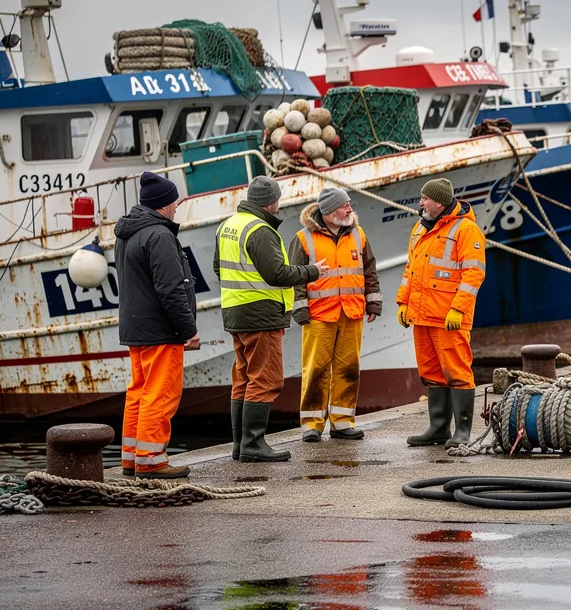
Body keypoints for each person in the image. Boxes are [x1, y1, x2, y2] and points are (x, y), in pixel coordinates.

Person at [215, 175, 327, 463]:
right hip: (260, 315)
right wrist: (312, 271)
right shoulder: (260, 230)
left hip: (235, 312)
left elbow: (218, 267)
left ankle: (240, 445)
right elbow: (277, 274)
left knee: (243, 378)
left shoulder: (228, 225)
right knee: (265, 379)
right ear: (271, 202)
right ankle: (253, 444)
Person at [114, 172, 198, 479]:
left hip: (137, 330)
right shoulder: (160, 235)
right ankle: (151, 460)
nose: (176, 206)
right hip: (161, 330)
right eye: (174, 201)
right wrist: (188, 329)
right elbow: (171, 289)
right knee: (160, 394)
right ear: (163, 204)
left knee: (139, 392)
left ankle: (131, 458)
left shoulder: (127, 234)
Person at [397, 178, 486, 447]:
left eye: (425, 198)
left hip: (449, 317)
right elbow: (411, 270)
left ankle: (463, 432)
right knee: (431, 373)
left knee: (457, 372)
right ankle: (438, 428)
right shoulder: (420, 228)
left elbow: (474, 274)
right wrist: (403, 302)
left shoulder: (466, 230)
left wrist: (458, 309)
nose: (421, 203)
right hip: (422, 315)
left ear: (439, 202)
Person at [289, 187, 381, 442]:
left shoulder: (358, 234)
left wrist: (373, 303)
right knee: (316, 370)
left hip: (351, 312)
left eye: (349, 203)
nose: (350, 208)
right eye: (344, 205)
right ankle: (312, 425)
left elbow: (370, 270)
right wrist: (300, 309)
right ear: (329, 211)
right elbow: (295, 277)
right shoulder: (303, 238)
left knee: (348, 369)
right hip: (318, 315)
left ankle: (342, 422)